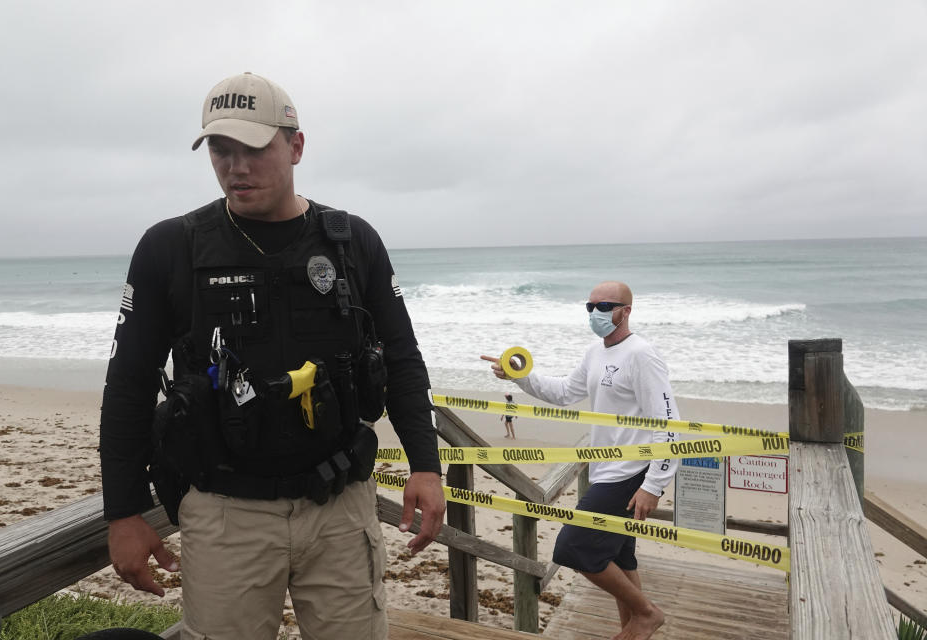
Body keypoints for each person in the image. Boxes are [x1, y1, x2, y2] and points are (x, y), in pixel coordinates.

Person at [100, 72, 445, 640]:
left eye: (254, 149)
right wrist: (124, 512)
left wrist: (425, 466)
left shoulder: (353, 242)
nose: (236, 166)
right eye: (220, 148)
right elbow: (129, 385)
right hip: (225, 513)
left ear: (296, 146)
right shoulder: (171, 247)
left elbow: (403, 357)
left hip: (341, 506)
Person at [481, 281, 677, 640]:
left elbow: (668, 424)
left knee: (573, 547)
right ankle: (634, 628)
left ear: (626, 311)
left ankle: (648, 614)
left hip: (631, 472)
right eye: (590, 307)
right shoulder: (594, 353)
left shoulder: (642, 355)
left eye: (603, 306)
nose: (595, 313)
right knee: (619, 559)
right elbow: (563, 392)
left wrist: (654, 485)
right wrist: (520, 377)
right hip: (605, 470)